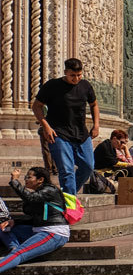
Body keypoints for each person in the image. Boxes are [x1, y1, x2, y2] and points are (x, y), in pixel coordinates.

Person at [31, 58, 99, 195]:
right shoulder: (52, 86)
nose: (76, 78)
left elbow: (94, 105)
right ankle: (69, 203)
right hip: (59, 134)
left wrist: (96, 124)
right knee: (66, 170)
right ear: (65, 72)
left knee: (88, 166)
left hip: (81, 133)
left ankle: (66, 194)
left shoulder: (85, 86)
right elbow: (36, 106)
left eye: (79, 75)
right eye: (73, 75)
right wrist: (46, 126)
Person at [0, 166, 69, 273]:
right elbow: (36, 218)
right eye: (25, 177)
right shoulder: (39, 194)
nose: (26, 180)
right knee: (5, 227)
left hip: (53, 233)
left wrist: (14, 181)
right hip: (37, 229)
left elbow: (30, 198)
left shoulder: (50, 190)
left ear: (40, 180)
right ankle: (13, 247)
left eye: (29, 177)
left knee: (19, 254)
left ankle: (15, 253)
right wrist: (15, 222)